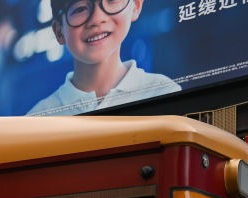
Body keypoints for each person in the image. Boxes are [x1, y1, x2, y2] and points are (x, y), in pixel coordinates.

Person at [28, 0, 180, 116]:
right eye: (80, 8)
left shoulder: (163, 92)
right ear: (59, 31)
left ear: (136, 6)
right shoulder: (38, 120)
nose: (97, 18)